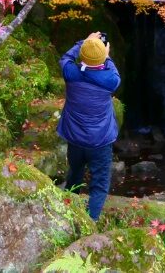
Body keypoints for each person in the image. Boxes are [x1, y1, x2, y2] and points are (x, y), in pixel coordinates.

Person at [57, 31, 121, 221]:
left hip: (75, 138)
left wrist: (84, 42)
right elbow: (112, 70)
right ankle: (91, 221)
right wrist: (106, 55)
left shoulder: (71, 73)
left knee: (75, 175)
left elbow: (66, 57)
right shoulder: (111, 80)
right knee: (100, 184)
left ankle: (67, 214)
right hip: (100, 141)